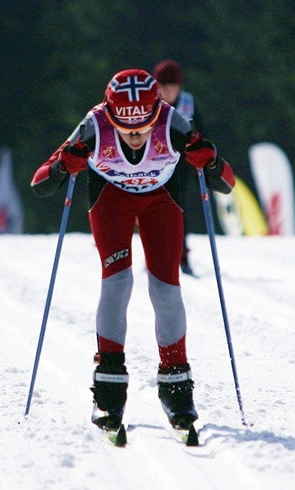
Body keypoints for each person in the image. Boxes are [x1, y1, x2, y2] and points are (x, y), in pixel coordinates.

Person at [30, 69, 234, 432]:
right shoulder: (94, 124)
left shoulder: (175, 122)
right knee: (118, 281)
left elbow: (226, 183)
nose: (137, 136)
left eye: (144, 127)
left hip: (161, 201)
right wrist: (65, 163)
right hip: (112, 199)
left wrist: (211, 160)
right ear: (112, 117)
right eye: (127, 130)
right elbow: (41, 182)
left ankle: (176, 388)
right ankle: (108, 390)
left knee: (165, 287)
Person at [153, 59, 204, 275]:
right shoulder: (149, 104)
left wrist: (203, 157)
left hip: (181, 168)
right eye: (165, 87)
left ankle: (181, 255)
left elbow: (201, 135)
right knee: (153, 212)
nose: (169, 92)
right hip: (153, 167)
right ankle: (154, 256)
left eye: (174, 87)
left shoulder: (188, 104)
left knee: (178, 212)